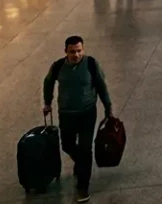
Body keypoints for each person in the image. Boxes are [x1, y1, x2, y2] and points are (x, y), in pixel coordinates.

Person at [42, 35, 113, 203]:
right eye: (72, 52)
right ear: (65, 51)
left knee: (85, 147)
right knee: (67, 145)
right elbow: (48, 82)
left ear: (83, 49)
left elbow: (101, 86)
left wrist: (108, 107)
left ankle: (83, 186)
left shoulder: (91, 64)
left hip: (87, 112)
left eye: (79, 51)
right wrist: (47, 102)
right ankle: (81, 164)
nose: (76, 55)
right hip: (66, 113)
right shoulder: (58, 66)